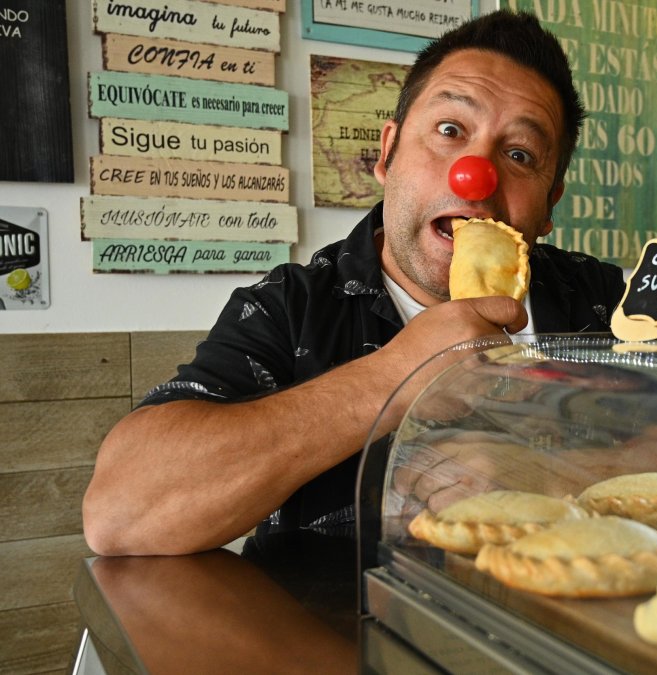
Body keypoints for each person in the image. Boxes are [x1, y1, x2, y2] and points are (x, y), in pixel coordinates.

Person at [82, 10, 627, 556]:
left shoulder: (602, 299)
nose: (474, 173)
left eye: (519, 155)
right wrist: (391, 377)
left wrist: (557, 473)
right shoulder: (292, 307)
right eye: (449, 130)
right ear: (388, 154)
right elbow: (119, 515)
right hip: (335, 636)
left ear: (550, 202)